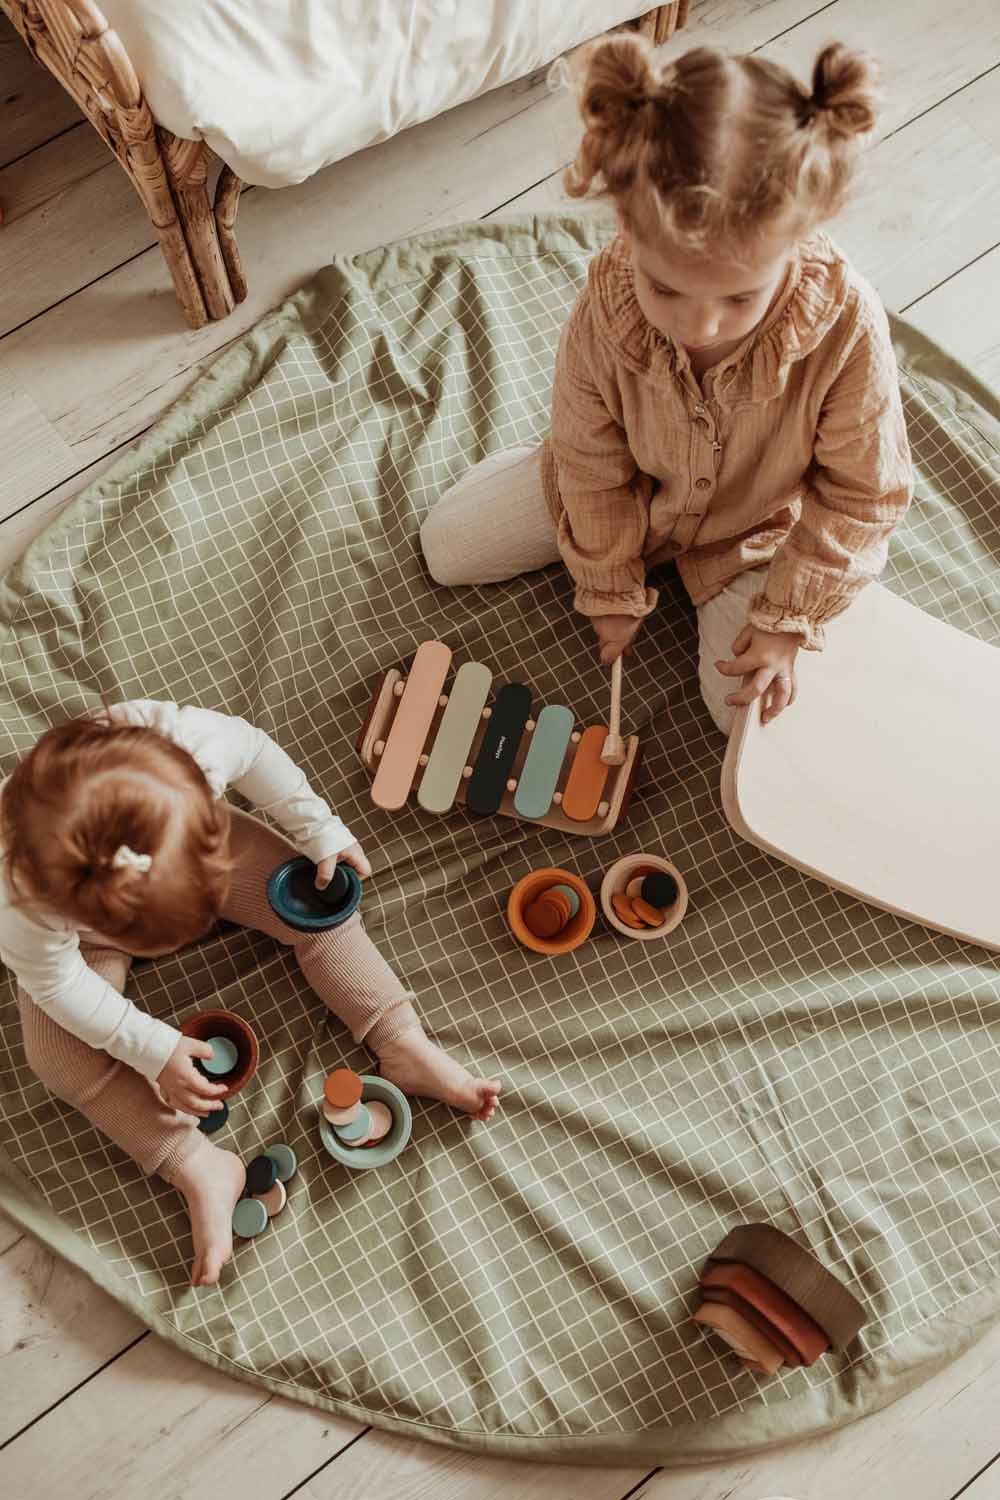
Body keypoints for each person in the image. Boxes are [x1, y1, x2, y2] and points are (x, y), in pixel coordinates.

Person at [420, 34, 913, 733]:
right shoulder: (609, 304)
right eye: (667, 288)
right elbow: (593, 462)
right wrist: (609, 582)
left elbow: (864, 498)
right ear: (626, 230)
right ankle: (541, 469)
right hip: (624, 485)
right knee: (449, 547)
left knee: (743, 713)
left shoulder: (845, 327)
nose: (702, 326)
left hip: (751, 531)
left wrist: (785, 620)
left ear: (796, 243)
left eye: (740, 299)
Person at [0, 702, 501, 1286]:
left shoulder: (184, 749)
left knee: (316, 902)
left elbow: (257, 752)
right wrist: (150, 1048)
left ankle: (400, 1040)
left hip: (193, 846)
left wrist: (319, 831)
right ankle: (197, 1166)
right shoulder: (21, 898)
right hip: (81, 942)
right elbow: (58, 983)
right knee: (57, 1059)